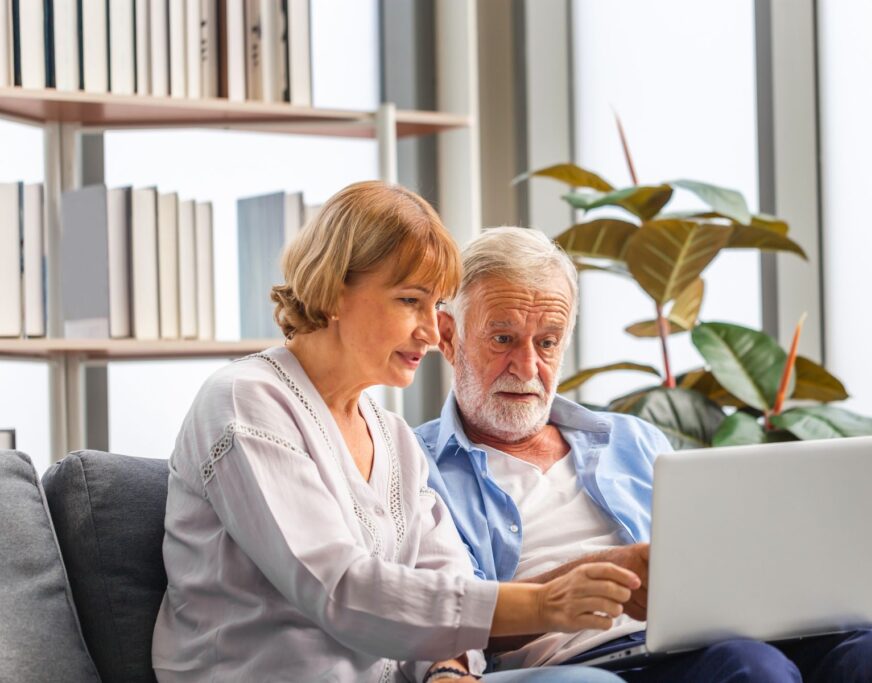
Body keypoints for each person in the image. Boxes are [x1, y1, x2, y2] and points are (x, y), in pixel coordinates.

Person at [151, 182, 636, 683]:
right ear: (334, 290)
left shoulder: (393, 437)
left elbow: (446, 577)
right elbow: (340, 589)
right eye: (410, 300)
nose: (431, 330)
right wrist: (543, 604)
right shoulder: (246, 401)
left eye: (435, 305)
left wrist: (447, 670)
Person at [415, 227, 872, 682]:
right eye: (503, 339)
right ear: (449, 336)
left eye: (547, 342)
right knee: (750, 668)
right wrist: (599, 576)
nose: (528, 366)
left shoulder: (632, 438)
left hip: (715, 636)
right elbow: (439, 615)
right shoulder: (417, 466)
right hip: (600, 657)